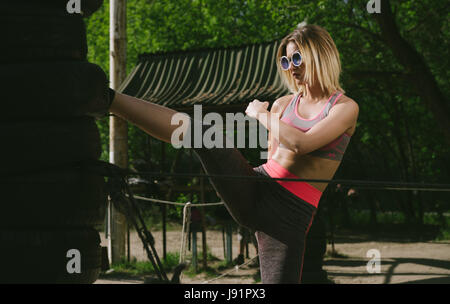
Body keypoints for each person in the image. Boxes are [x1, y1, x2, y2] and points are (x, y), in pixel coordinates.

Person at [107, 24, 359, 283]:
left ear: (320, 55)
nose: (291, 66)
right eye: (286, 60)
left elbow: (302, 144)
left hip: (289, 216)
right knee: (200, 131)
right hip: (256, 187)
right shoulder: (284, 103)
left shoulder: (344, 108)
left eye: (297, 58)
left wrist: (260, 114)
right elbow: (273, 157)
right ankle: (108, 99)